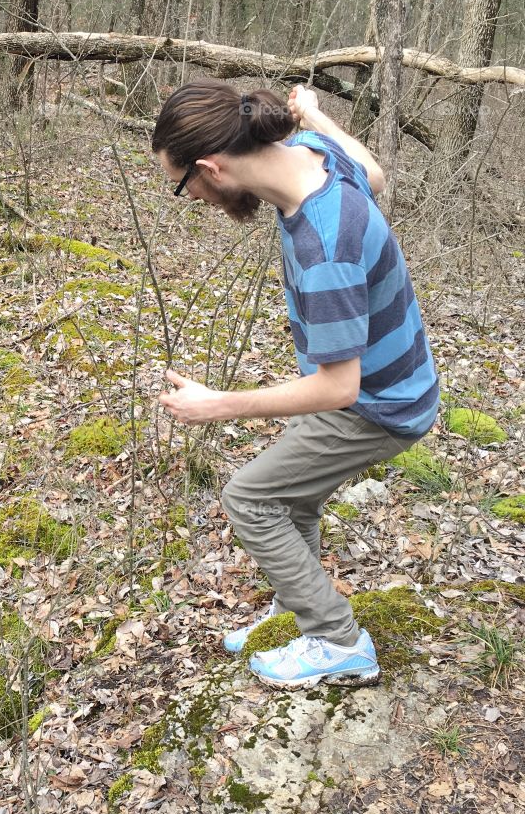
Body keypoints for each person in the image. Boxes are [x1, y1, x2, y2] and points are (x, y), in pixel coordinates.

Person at [154, 78, 439, 690]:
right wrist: (319, 114)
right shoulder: (314, 153)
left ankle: (338, 641)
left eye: (185, 185)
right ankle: (299, 605)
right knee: (294, 496)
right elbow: (376, 172)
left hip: (381, 405)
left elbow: (339, 389)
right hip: (395, 380)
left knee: (250, 499)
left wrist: (218, 405)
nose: (193, 198)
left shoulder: (324, 245)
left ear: (212, 167)